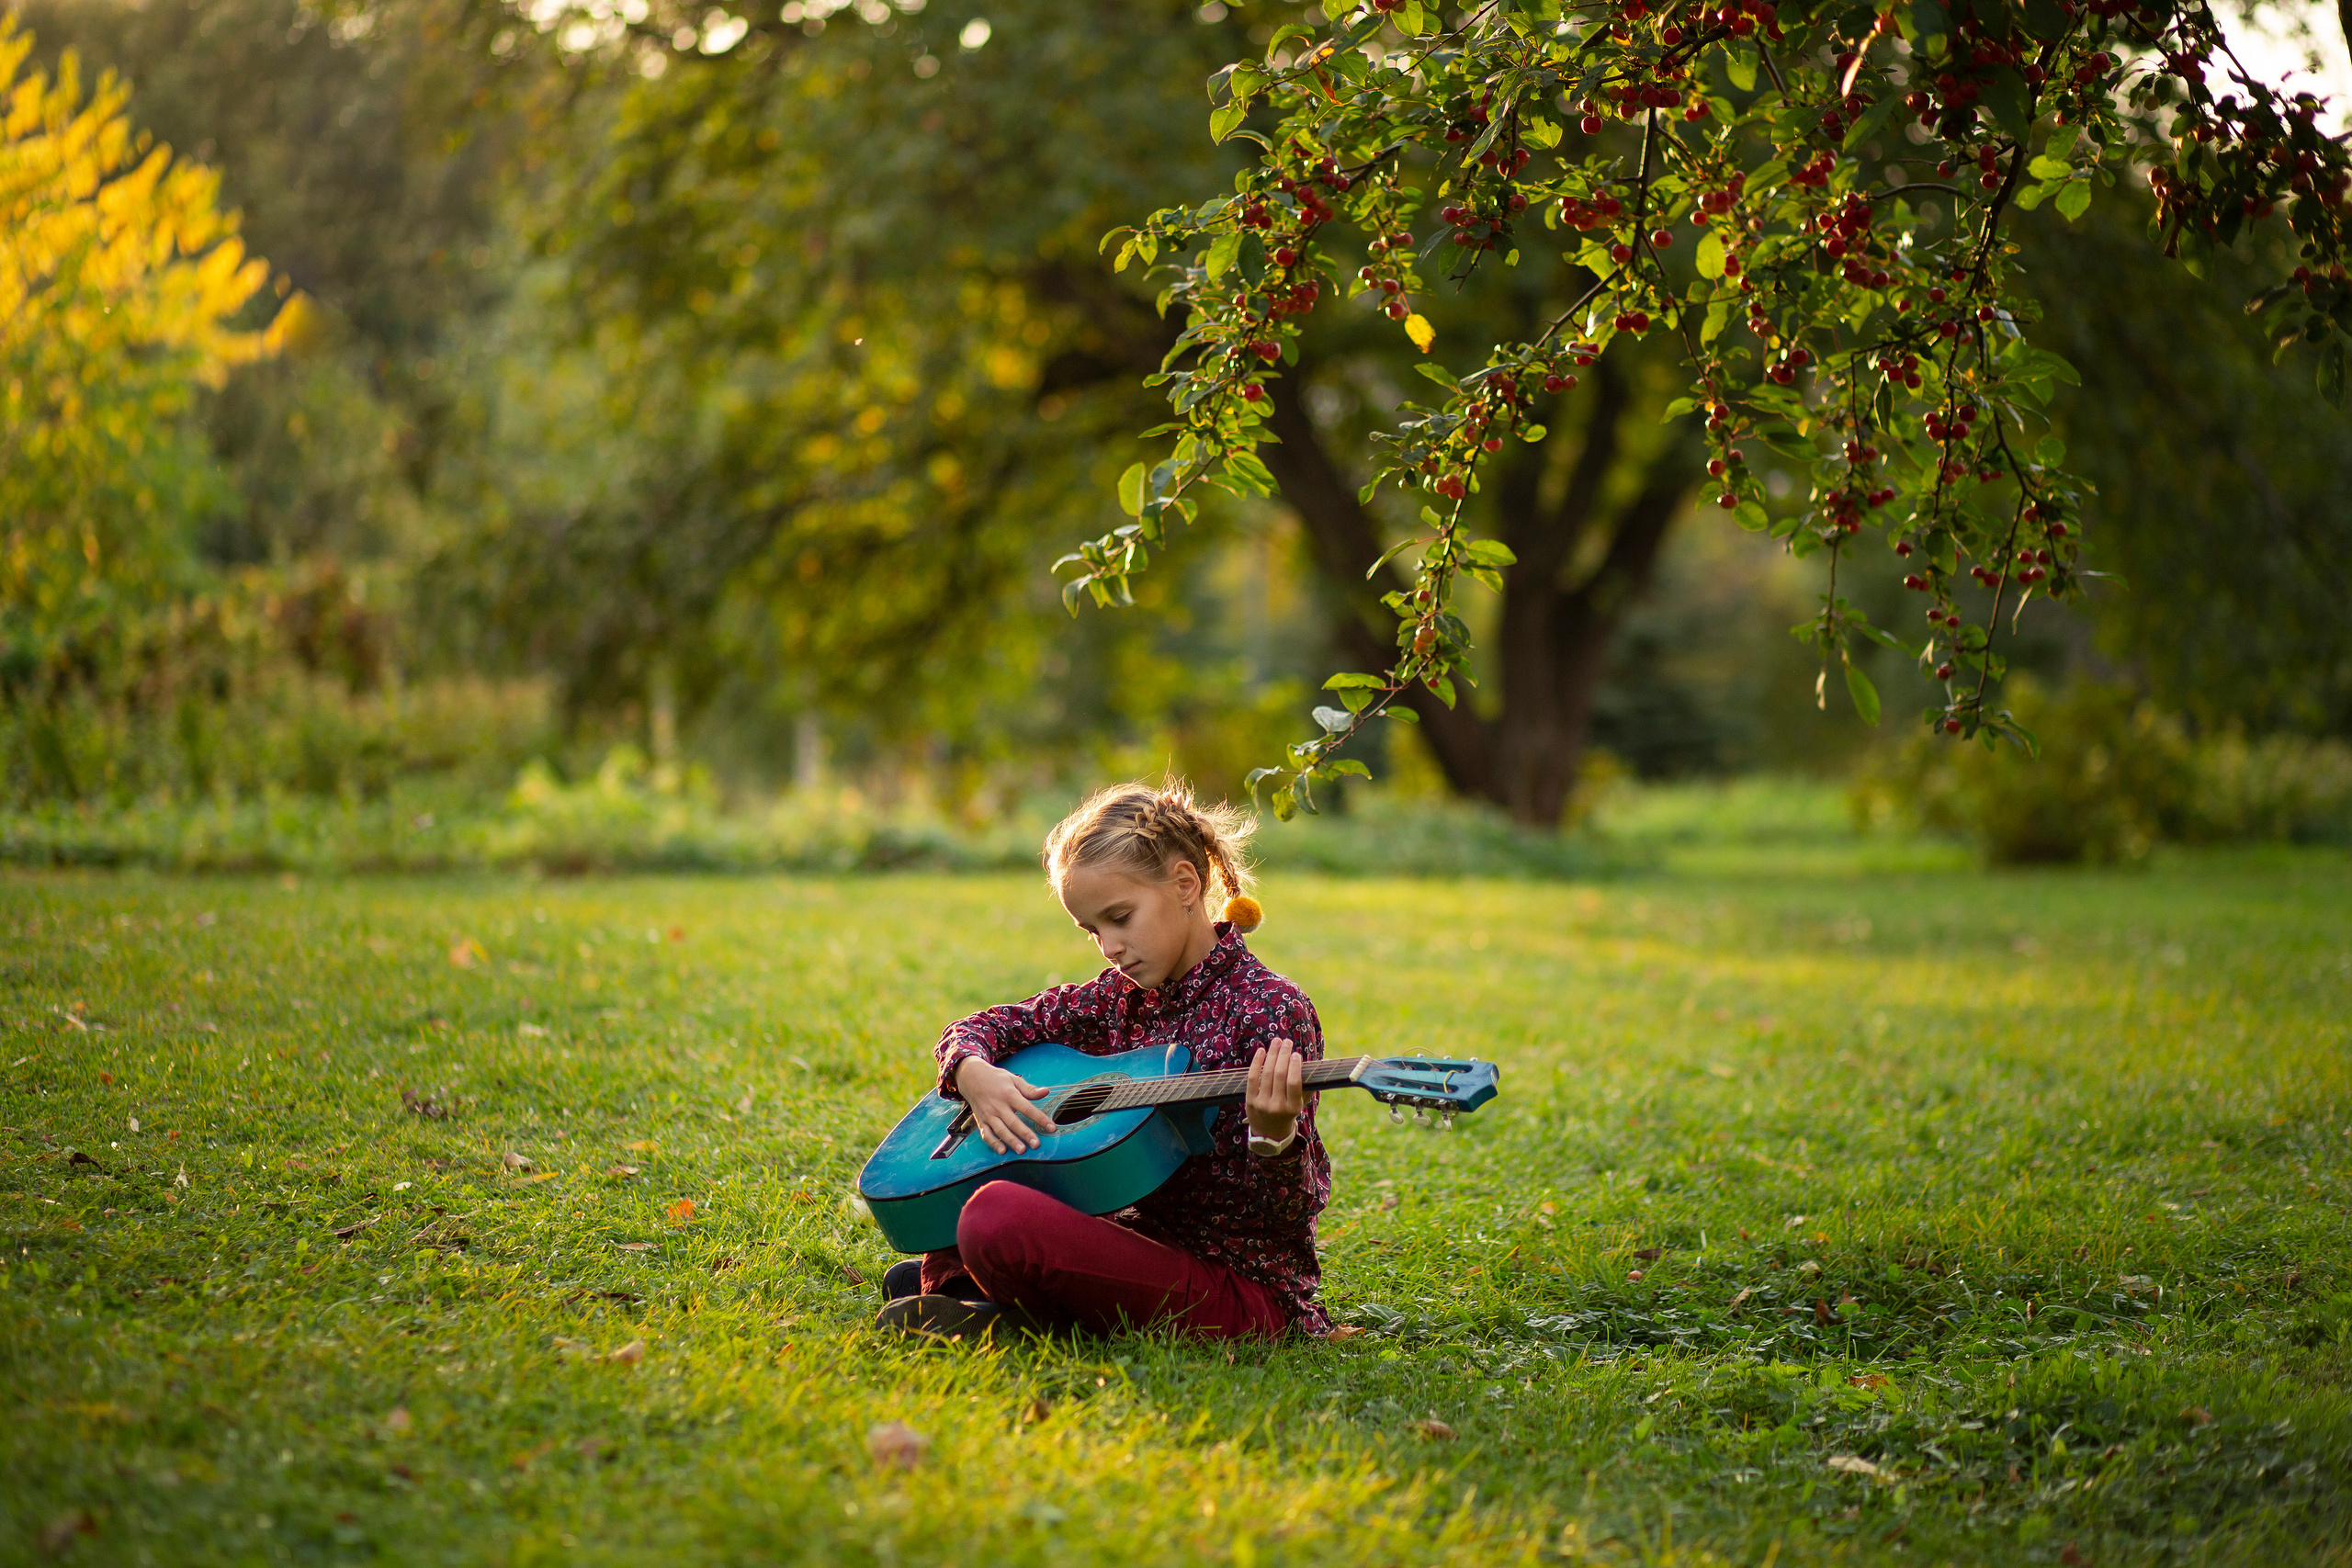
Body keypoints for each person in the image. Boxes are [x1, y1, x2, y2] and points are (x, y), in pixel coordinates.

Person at [874, 780, 1333, 1343]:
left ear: (1186, 884)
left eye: (1121, 917)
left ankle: (986, 1299)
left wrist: (1275, 1136)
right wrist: (974, 1073)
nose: (1110, 947)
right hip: (1134, 1243)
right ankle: (984, 1291)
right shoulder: (1115, 997)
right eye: (1093, 930)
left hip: (1239, 1292)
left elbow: (1288, 1224)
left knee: (992, 1216)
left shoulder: (1270, 1010)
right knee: (973, 1180)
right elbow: (981, 1028)